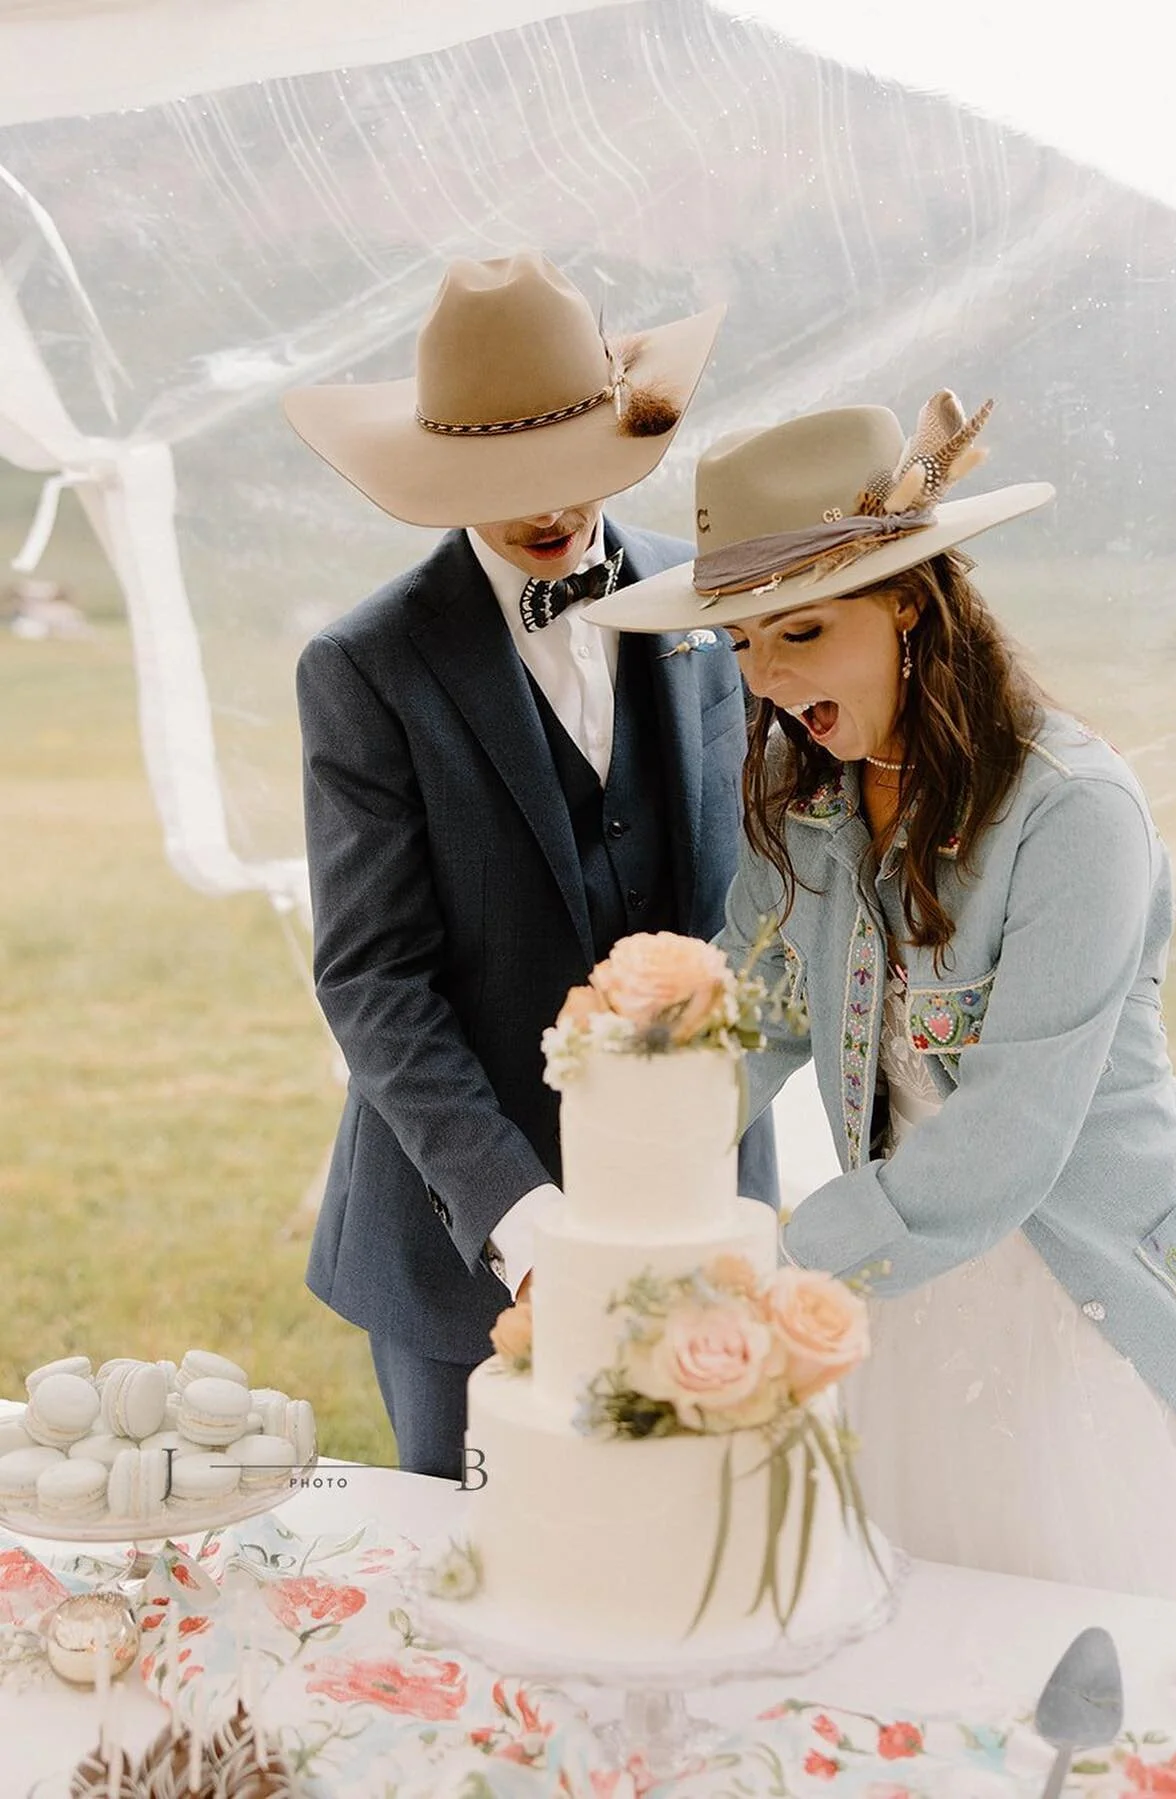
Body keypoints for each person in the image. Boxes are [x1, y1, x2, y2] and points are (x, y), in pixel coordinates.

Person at [585, 394, 1176, 1612]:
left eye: (799, 631)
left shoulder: (1074, 813)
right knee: (928, 1649)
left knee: (1102, 1656)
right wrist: (633, 1123)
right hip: (904, 1274)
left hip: (1091, 1299)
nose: (768, 681)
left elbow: (1009, 1138)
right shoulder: (808, 805)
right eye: (739, 644)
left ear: (909, 603)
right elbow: (755, 1012)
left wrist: (784, 1264)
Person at [282, 251, 776, 1480]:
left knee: (690, 1547)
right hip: (466, 1246)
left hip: (698, 1197)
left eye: (576, 471)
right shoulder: (367, 669)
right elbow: (373, 980)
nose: (553, 508)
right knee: (484, 1578)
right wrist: (525, 1223)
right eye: (509, 483)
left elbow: (769, 884)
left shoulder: (709, 599)